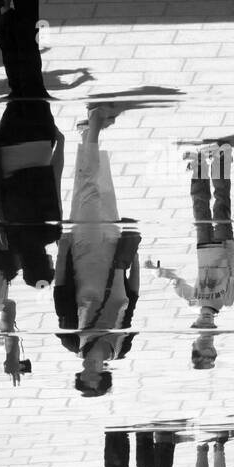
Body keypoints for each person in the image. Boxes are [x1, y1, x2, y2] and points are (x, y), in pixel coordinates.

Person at [54, 104, 140, 396]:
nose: (92, 371)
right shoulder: (121, 346)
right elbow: (132, 299)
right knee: (103, 193)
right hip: (113, 254)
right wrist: (134, 257)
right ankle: (87, 134)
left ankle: (94, 122)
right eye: (97, 377)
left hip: (84, 250)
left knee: (87, 191)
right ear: (105, 375)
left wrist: (63, 247)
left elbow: (61, 288)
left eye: (85, 377)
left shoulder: (72, 340)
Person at [0, 0, 63, 288]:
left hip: (38, 140)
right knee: (20, 81)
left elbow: (56, 178)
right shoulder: (6, 236)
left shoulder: (51, 232)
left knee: (31, 73)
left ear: (45, 262)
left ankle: (24, 3)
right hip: (8, 145)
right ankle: (4, 14)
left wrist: (60, 142)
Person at [148, 142, 234, 368]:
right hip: (223, 245)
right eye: (210, 325)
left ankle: (200, 165)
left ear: (196, 324)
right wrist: (231, 248)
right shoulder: (226, 301)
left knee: (200, 208)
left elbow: (177, 282)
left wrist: (160, 272)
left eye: (201, 324)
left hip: (203, 247)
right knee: (221, 206)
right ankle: (221, 160)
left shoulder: (194, 301)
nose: (206, 321)